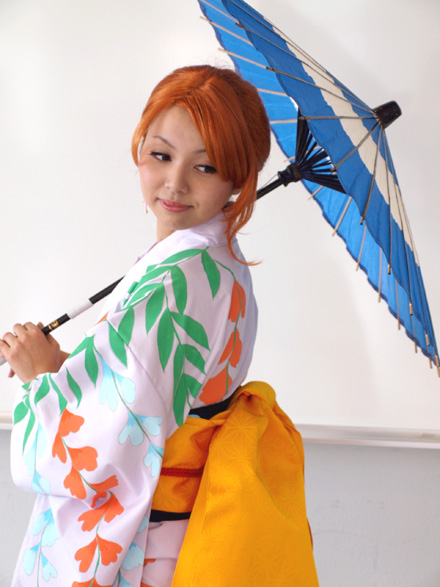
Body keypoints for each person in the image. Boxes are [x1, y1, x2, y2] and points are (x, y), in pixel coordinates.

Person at [0, 65, 318, 586]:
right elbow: (149, 393)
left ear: (239, 180)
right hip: (177, 533)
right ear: (140, 146)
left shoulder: (178, 281)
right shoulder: (217, 264)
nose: (175, 183)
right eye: (161, 155)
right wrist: (62, 365)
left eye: (206, 167)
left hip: (145, 546)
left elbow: (105, 451)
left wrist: (40, 380)